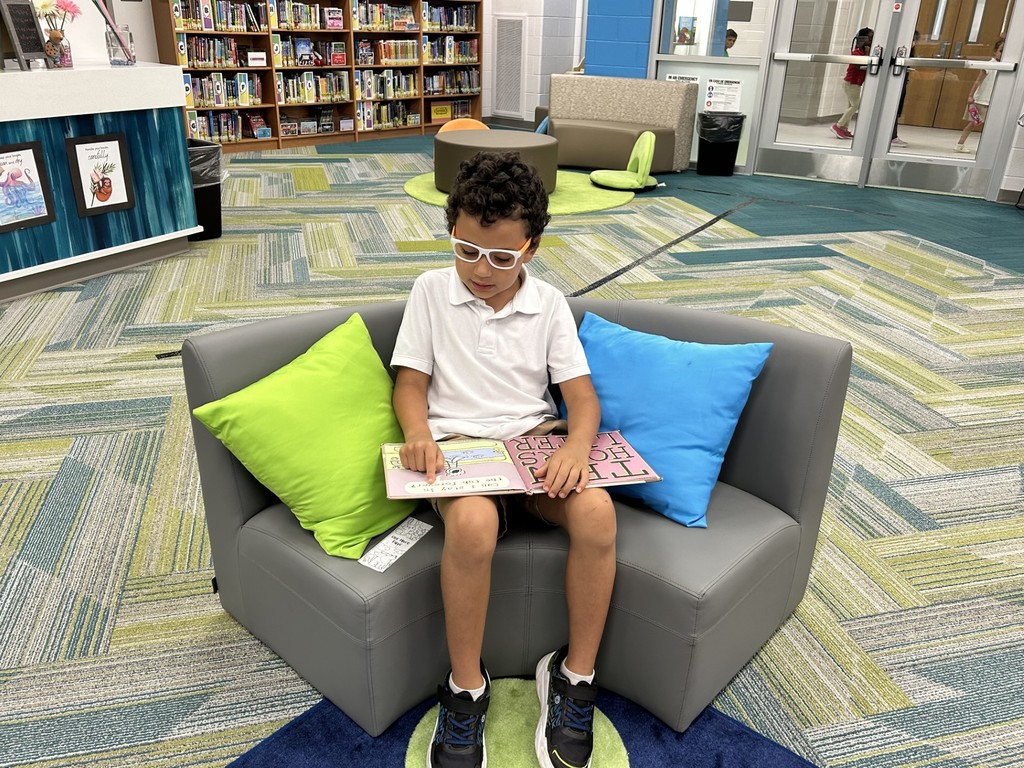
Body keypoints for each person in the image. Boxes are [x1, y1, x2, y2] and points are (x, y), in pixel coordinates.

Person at [391, 151, 617, 768]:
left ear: (532, 248)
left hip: (533, 444)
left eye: (500, 258)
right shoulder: (430, 291)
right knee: (472, 523)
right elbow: (410, 384)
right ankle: (466, 688)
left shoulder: (547, 305)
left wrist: (574, 445)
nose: (480, 271)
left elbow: (582, 400)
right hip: (462, 449)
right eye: (466, 250)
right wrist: (418, 431)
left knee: (598, 514)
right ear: (453, 233)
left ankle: (575, 676)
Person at [955, 37, 1005, 153]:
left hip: (994, 101)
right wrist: (971, 95)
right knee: (973, 123)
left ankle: (989, 147)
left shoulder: (1006, 66)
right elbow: (978, 81)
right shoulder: (989, 65)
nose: (1002, 54)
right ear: (995, 51)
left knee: (993, 125)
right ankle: (960, 144)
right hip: (981, 100)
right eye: (1001, 51)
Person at [832, 27, 873, 140]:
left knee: (851, 105)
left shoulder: (863, 52)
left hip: (856, 83)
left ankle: (844, 129)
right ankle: (838, 125)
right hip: (851, 83)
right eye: (869, 37)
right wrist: (868, 54)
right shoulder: (857, 52)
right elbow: (860, 64)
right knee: (856, 105)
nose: (870, 40)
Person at [890, 30, 919, 148]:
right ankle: (892, 136)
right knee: (894, 109)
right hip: (895, 84)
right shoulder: (900, 51)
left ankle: (892, 135)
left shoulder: (909, 53)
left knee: (897, 109)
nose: (914, 43)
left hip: (902, 83)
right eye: (913, 40)